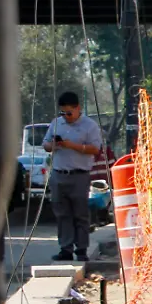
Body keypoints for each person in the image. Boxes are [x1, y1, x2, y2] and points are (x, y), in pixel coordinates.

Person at [43, 92, 103, 262]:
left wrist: (73, 146)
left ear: (78, 108)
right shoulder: (56, 124)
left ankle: (81, 249)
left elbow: (95, 149)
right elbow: (45, 144)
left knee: (80, 213)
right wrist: (54, 145)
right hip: (59, 174)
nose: (66, 117)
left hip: (79, 175)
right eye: (63, 113)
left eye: (69, 113)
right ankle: (65, 248)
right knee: (62, 214)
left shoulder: (89, 126)